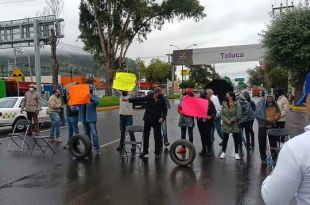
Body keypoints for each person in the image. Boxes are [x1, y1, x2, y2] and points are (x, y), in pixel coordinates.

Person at [261, 72, 310, 205]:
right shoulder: (273, 100)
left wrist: (273, 176)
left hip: (281, 120)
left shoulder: (297, 148)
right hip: (275, 120)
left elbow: (273, 199)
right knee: (274, 137)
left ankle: (280, 149)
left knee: (281, 137)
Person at [126, 87, 167, 159]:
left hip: (157, 120)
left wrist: (162, 117)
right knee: (146, 135)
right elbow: (140, 99)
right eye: (158, 94)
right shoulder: (150, 96)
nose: (160, 95)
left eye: (161, 94)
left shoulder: (162, 98)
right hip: (148, 119)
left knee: (157, 137)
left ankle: (157, 152)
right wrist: (129, 99)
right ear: (155, 93)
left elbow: (165, 109)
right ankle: (145, 151)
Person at [255, 95, 281, 164]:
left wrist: (276, 117)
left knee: (273, 144)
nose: (269, 100)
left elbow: (278, 112)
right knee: (262, 143)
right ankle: (263, 158)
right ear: (266, 100)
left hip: (272, 126)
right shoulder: (262, 106)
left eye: (271, 99)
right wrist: (266, 119)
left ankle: (274, 158)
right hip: (263, 127)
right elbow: (258, 115)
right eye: (268, 99)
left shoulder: (275, 105)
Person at [79, 85, 100, 155]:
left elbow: (97, 102)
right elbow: (75, 104)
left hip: (91, 119)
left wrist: (91, 97)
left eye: (90, 90)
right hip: (84, 119)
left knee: (94, 133)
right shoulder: (82, 97)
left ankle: (97, 149)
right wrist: (70, 98)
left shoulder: (93, 96)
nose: (89, 91)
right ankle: (88, 148)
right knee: (87, 134)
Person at [219, 92, 242, 160]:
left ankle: (236, 153)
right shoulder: (224, 103)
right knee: (225, 139)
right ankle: (223, 152)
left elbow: (239, 115)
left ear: (231, 97)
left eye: (227, 95)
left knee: (236, 139)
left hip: (234, 124)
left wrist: (231, 120)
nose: (226, 96)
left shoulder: (237, 104)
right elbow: (221, 114)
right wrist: (226, 120)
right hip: (226, 124)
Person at [177, 88, 195, 154]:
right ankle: (183, 147)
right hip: (183, 119)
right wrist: (180, 111)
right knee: (183, 135)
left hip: (190, 119)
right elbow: (179, 108)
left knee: (190, 135)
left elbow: (196, 110)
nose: (187, 95)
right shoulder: (182, 99)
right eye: (186, 93)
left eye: (189, 94)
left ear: (191, 94)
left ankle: (191, 148)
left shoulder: (193, 101)